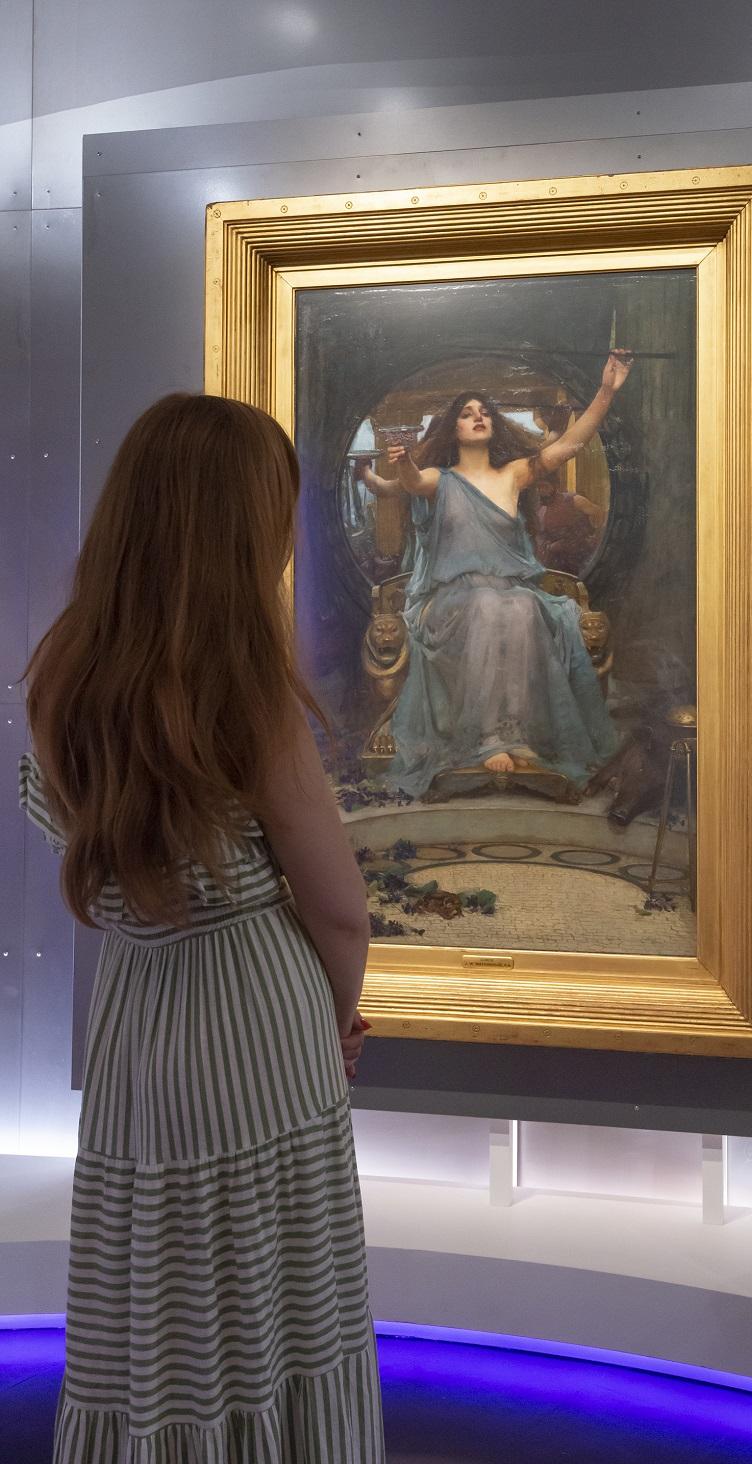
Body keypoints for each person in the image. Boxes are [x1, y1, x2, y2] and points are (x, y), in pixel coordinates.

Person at [18, 394, 385, 1462]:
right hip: (257, 1013)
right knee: (277, 1279)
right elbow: (338, 909)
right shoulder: (247, 689)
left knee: (155, 1279)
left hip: (137, 1019)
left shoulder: (58, 677)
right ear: (238, 529)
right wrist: (340, 1013)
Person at [381, 350, 633, 796]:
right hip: (454, 598)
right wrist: (402, 462)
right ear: (453, 429)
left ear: (493, 424)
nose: (477, 418)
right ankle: (486, 740)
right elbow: (413, 483)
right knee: (486, 606)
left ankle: (515, 736)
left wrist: (606, 392)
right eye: (466, 414)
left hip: (509, 590)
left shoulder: (514, 474)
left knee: (520, 608)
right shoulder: (440, 478)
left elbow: (570, 445)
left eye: (483, 413)